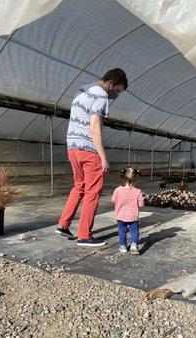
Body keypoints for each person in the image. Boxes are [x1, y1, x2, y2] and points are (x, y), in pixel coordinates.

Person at [55, 68, 128, 247]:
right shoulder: (102, 95)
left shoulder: (82, 90)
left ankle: (63, 225)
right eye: (117, 90)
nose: (116, 95)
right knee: (93, 192)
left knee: (78, 187)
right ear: (111, 83)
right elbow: (95, 126)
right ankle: (84, 235)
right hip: (88, 150)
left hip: (73, 147)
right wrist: (103, 157)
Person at [112, 167, 144, 255]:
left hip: (120, 216)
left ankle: (123, 247)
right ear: (136, 179)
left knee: (122, 231)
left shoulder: (117, 190)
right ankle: (134, 245)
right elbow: (141, 204)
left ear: (123, 177)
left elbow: (113, 200)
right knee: (134, 231)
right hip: (133, 216)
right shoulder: (138, 191)